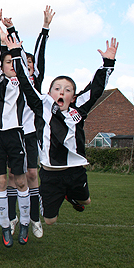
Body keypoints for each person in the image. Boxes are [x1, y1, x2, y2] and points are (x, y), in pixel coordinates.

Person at [7, 35, 118, 225]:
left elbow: (96, 89)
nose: (62, 92)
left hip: (75, 170)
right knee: (50, 221)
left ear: (73, 97)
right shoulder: (42, 106)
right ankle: (48, 197)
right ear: (50, 94)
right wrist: (17, 55)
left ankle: (70, 195)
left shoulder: (78, 110)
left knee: (86, 201)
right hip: (51, 173)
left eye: (67, 90)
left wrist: (108, 63)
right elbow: (26, 84)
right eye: (57, 88)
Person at [4, 6, 55, 238]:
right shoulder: (11, 80)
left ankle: (35, 218)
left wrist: (45, 28)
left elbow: (40, 55)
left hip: (31, 134)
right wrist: (10, 30)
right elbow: (15, 53)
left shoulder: (35, 80)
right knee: (13, 177)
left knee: (32, 175)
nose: (27, 66)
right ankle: (14, 218)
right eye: (23, 63)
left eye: (30, 64)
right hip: (13, 133)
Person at [0, 10, 31, 248]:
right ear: (1, 66)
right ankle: (5, 226)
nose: (12, 65)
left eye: (15, 62)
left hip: (15, 134)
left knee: (20, 181)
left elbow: (19, 53)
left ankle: (24, 222)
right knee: (0, 180)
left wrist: (12, 32)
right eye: (8, 62)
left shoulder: (24, 81)